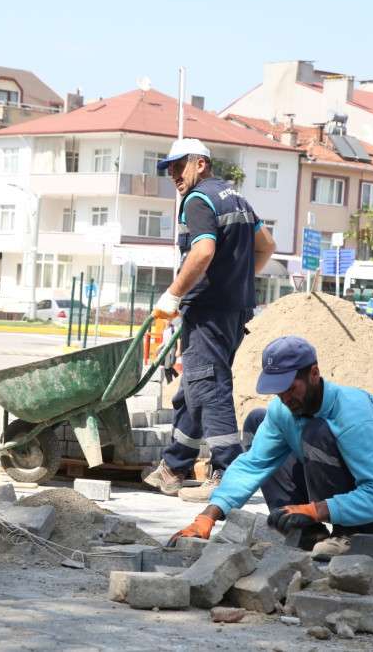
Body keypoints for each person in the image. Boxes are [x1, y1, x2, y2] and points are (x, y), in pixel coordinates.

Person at [169, 336, 373, 557]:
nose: (284, 398)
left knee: (317, 430)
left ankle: (346, 534)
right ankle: (310, 533)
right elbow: (254, 464)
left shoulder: (353, 414)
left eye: (291, 388)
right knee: (260, 421)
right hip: (330, 499)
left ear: (314, 373)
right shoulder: (283, 409)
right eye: (278, 391)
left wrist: (315, 509)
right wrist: (208, 516)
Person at [142, 138, 276, 502]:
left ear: (200, 164)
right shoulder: (237, 199)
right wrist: (238, 280)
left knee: (210, 387)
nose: (172, 174)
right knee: (193, 390)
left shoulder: (198, 200)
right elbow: (266, 245)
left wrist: (174, 294)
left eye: (178, 165)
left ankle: (227, 473)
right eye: (168, 168)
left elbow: (202, 251)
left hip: (208, 311)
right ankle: (174, 467)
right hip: (235, 310)